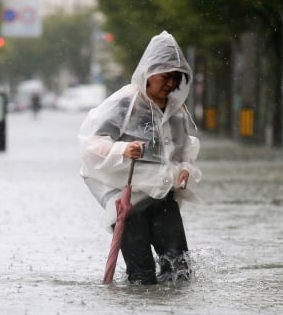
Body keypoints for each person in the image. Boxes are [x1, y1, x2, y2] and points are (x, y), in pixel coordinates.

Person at [78, 30, 201, 285]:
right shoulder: (124, 104)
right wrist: (122, 150)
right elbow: (90, 144)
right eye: (166, 77)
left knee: (179, 273)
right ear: (149, 73)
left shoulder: (177, 112)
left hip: (162, 197)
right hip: (127, 201)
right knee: (141, 277)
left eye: (176, 79)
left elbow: (182, 151)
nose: (170, 85)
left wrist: (185, 169)